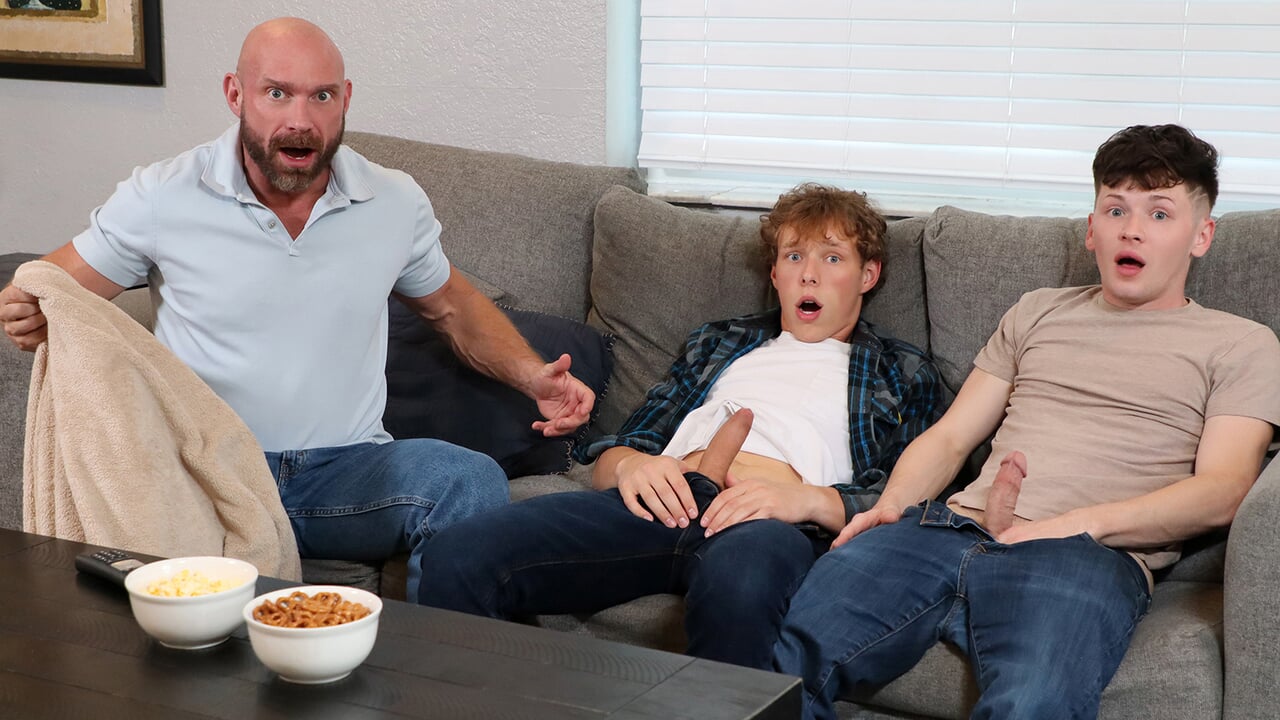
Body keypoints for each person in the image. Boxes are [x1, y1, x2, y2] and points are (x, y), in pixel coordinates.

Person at [0, 17, 595, 600]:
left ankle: (437, 661)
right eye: (277, 93)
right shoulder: (163, 195)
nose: (300, 121)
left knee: (468, 479)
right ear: (236, 94)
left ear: (346, 99)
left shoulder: (394, 201)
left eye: (321, 96)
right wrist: (30, 309)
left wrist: (533, 377)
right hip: (208, 471)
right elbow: (49, 286)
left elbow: (453, 307)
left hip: (346, 475)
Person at [772, 124, 1280, 720]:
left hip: (1083, 556)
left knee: (1032, 703)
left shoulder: (1241, 344)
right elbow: (953, 435)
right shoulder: (1038, 311)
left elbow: (1224, 489)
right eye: (1115, 209)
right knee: (783, 668)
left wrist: (1077, 525)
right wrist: (892, 506)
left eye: (1160, 213)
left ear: (1202, 236)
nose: (1132, 229)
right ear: (1092, 229)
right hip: (946, 529)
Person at [417, 183, 945, 670]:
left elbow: (901, 500)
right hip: (664, 500)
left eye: (832, 258)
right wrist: (632, 467)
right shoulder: (718, 342)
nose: (809, 274)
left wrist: (806, 500)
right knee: (458, 556)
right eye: (793, 256)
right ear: (774, 274)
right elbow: (619, 450)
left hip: (769, 523)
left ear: (867, 275)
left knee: (740, 590)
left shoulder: (901, 370)